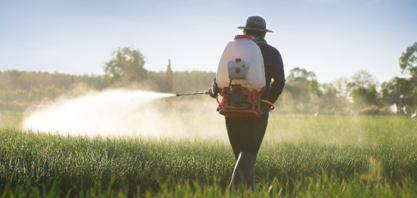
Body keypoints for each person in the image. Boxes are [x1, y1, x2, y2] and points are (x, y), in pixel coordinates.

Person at [209, 16, 285, 191]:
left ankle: (250, 193)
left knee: (240, 156)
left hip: (231, 110)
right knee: (248, 155)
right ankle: (233, 193)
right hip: (257, 111)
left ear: (244, 31)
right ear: (264, 33)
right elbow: (280, 82)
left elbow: (219, 78)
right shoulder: (272, 53)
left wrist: (215, 90)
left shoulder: (233, 51)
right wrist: (266, 102)